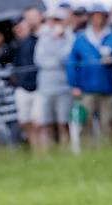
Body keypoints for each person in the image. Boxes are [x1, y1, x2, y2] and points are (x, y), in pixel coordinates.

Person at [67, 3, 112, 147]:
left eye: (101, 16)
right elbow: (72, 63)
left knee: (108, 121)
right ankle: (88, 152)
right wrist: (74, 85)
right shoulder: (81, 38)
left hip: (107, 86)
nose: (98, 19)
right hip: (86, 88)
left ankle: (108, 151)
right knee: (86, 123)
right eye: (95, 16)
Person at [34, 7, 76, 149]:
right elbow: (39, 60)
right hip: (45, 87)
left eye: (57, 20)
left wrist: (53, 59)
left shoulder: (70, 37)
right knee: (46, 123)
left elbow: (66, 57)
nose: (53, 23)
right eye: (51, 20)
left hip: (64, 86)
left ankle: (65, 150)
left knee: (63, 123)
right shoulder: (43, 37)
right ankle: (48, 153)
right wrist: (55, 59)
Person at [13, 16, 39, 143]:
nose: (19, 30)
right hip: (22, 87)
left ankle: (43, 151)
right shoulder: (14, 45)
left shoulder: (36, 41)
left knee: (38, 122)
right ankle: (35, 148)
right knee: (25, 121)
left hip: (38, 87)